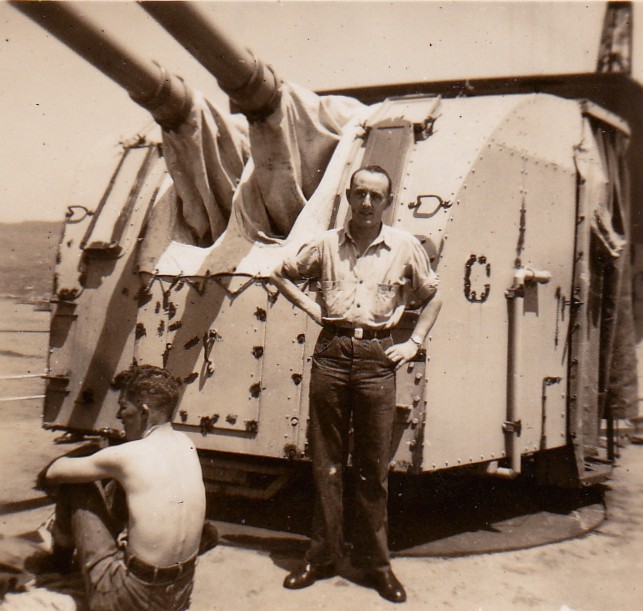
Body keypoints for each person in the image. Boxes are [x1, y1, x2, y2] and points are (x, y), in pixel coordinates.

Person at [271, 165, 442, 603]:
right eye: (360, 193)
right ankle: (322, 556)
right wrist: (312, 308)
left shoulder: (404, 246)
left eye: (376, 196)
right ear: (348, 196)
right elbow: (280, 273)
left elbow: (432, 295)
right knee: (325, 462)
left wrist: (414, 343)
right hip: (332, 353)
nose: (367, 203)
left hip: (376, 358)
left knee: (372, 467)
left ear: (388, 202)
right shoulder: (326, 244)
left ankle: (375, 564)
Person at [40, 364, 207, 611]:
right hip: (179, 595)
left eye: (123, 406)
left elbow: (53, 473)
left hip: (131, 597)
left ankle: (59, 564)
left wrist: (95, 453)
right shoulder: (187, 444)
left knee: (76, 485)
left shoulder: (129, 455)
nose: (119, 416)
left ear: (144, 412)